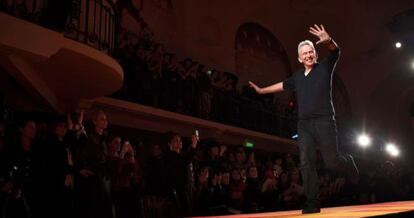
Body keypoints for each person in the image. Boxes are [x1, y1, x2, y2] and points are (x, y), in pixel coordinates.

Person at [249, 24, 358, 214]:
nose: (308, 55)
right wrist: (261, 90)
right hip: (304, 124)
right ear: (299, 58)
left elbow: (336, 52)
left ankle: (347, 161)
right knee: (306, 162)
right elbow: (282, 85)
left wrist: (329, 40)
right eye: (304, 53)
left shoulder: (324, 67)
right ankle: (312, 201)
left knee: (332, 162)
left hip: (325, 121)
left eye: (311, 52)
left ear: (315, 54)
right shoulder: (297, 77)